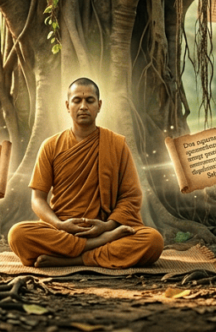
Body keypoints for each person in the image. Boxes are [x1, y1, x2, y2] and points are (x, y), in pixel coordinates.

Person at [9, 78, 164, 268]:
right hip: (63, 230)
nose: (83, 106)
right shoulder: (50, 146)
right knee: (17, 234)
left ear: (99, 106)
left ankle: (75, 259)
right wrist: (60, 225)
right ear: (67, 106)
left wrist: (107, 227)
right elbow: (37, 199)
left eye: (89, 100)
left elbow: (131, 197)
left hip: (103, 227)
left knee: (152, 240)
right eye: (77, 101)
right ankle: (95, 248)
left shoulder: (116, 145)